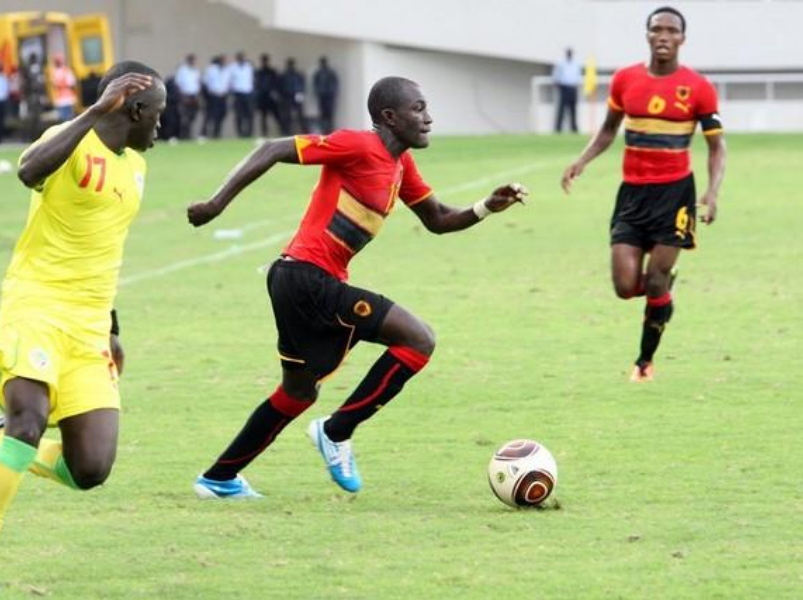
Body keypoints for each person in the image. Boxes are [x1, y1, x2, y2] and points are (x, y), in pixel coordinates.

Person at [187, 76, 528, 498]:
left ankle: (218, 478)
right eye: (418, 109)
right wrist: (215, 204)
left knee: (297, 392)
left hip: (295, 279)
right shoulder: (357, 145)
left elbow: (438, 219)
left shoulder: (402, 166)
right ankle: (336, 431)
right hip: (307, 278)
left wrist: (485, 207)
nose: (428, 118)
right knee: (418, 340)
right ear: (389, 116)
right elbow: (272, 148)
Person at [0, 61, 166, 590]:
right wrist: (92, 111)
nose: (162, 125)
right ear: (133, 110)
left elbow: (103, 248)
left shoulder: (136, 167)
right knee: (29, 422)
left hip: (89, 326)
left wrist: (111, 326)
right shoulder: (68, 141)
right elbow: (27, 171)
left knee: (89, 469)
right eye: (157, 114)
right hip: (36, 306)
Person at [561, 6, 727, 382]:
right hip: (632, 196)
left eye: (672, 30)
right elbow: (607, 130)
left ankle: (644, 362)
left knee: (654, 281)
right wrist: (581, 160)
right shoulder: (625, 80)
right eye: (657, 29)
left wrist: (712, 193)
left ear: (682, 39)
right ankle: (662, 286)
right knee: (624, 287)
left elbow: (717, 147)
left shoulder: (698, 87)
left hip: (675, 197)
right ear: (648, 35)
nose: (664, 36)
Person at [254, 53, 284, 136]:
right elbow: (257, 85)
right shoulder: (259, 72)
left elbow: (277, 83)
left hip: (271, 97)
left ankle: (283, 131)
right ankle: (264, 133)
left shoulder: (272, 72)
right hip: (262, 98)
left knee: (277, 116)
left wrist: (275, 93)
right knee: (263, 117)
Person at [552, 47, 581, 133]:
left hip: (573, 88)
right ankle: (558, 128)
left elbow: (577, 76)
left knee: (573, 109)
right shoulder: (561, 63)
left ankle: (574, 128)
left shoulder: (576, 63)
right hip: (564, 87)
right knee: (561, 109)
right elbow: (556, 75)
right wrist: (558, 85)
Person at [174, 53, 201, 140]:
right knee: (184, 117)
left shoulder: (196, 71)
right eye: (192, 60)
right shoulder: (182, 70)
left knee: (192, 117)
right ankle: (183, 136)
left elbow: (197, 84)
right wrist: (182, 97)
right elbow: (178, 84)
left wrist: (197, 96)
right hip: (185, 96)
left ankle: (189, 135)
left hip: (194, 97)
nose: (194, 62)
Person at [202, 54, 229, 139]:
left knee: (221, 115)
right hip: (213, 96)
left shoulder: (226, 70)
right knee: (210, 115)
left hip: (223, 96)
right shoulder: (211, 69)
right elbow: (205, 82)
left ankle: (216, 133)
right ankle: (204, 133)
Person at [228, 51, 255, 138]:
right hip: (238, 93)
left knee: (250, 114)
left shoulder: (249, 66)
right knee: (239, 115)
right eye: (240, 57)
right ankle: (240, 133)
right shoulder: (232, 67)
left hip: (248, 93)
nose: (241, 59)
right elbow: (229, 81)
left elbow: (252, 79)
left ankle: (249, 133)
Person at [21, 53, 46, 141]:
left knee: (36, 118)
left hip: (35, 96)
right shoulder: (29, 71)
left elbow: (41, 84)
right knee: (32, 118)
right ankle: (31, 136)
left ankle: (35, 136)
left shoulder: (37, 70)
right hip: (32, 96)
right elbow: (26, 85)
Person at [279, 57, 307, 134]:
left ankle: (304, 130)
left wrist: (301, 93)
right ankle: (286, 131)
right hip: (287, 96)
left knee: (300, 114)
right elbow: (280, 86)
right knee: (287, 115)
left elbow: (302, 84)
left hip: (296, 95)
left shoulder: (297, 74)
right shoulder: (284, 75)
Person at [312, 55, 339, 133]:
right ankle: (323, 128)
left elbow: (335, 83)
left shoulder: (331, 72)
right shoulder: (318, 73)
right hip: (321, 95)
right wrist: (317, 92)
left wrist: (332, 92)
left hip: (329, 96)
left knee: (330, 112)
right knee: (322, 113)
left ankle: (329, 128)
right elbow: (315, 83)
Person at [51, 53, 78, 122]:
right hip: (64, 100)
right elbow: (72, 83)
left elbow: (72, 83)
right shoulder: (61, 71)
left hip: (65, 99)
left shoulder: (62, 71)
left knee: (67, 120)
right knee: (67, 120)